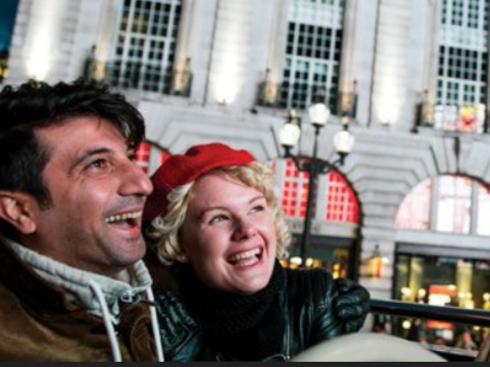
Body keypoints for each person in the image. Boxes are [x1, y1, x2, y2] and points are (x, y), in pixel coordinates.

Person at [143, 142, 370, 361]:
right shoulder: (157, 318)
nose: (247, 229)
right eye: (219, 217)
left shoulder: (313, 298)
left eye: (256, 208)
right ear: (178, 243)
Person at [0, 79, 163, 361]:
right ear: (19, 211)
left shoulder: (169, 284)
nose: (143, 184)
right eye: (98, 164)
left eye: (129, 158)